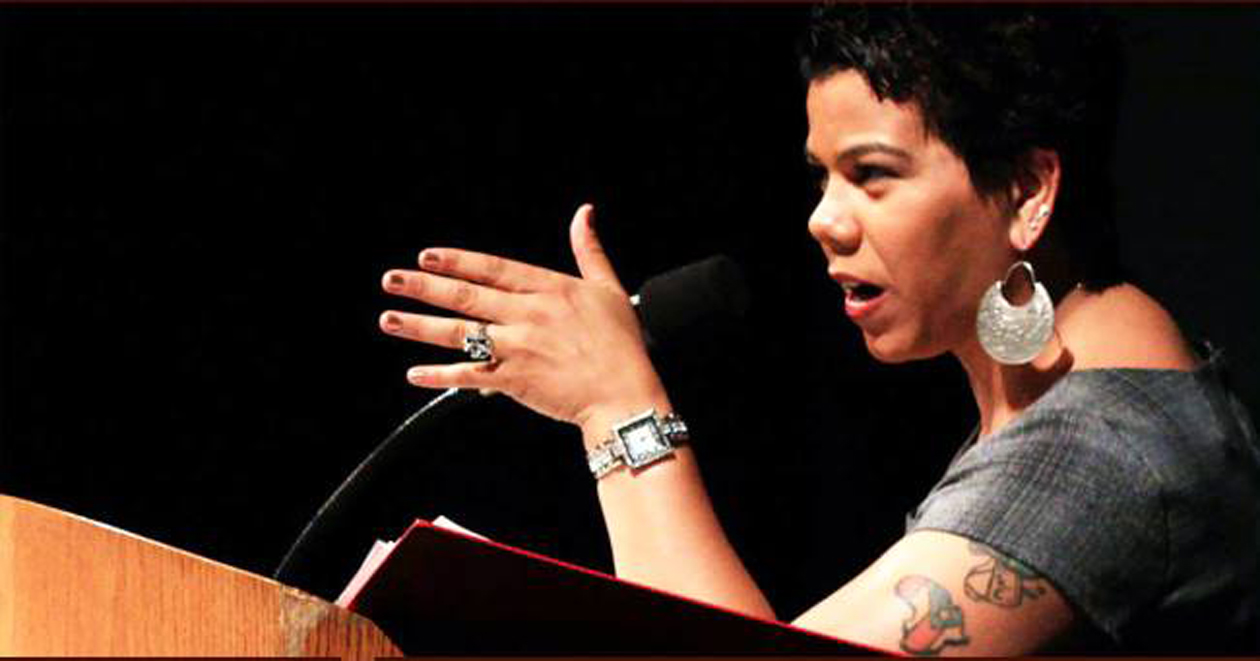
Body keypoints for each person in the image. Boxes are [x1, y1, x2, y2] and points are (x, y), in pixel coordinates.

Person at [375, 4, 1259, 655]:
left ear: (1028, 190)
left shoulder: (1099, 456)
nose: (824, 220)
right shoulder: (1082, 403)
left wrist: (619, 409)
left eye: (872, 175)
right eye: (822, 177)